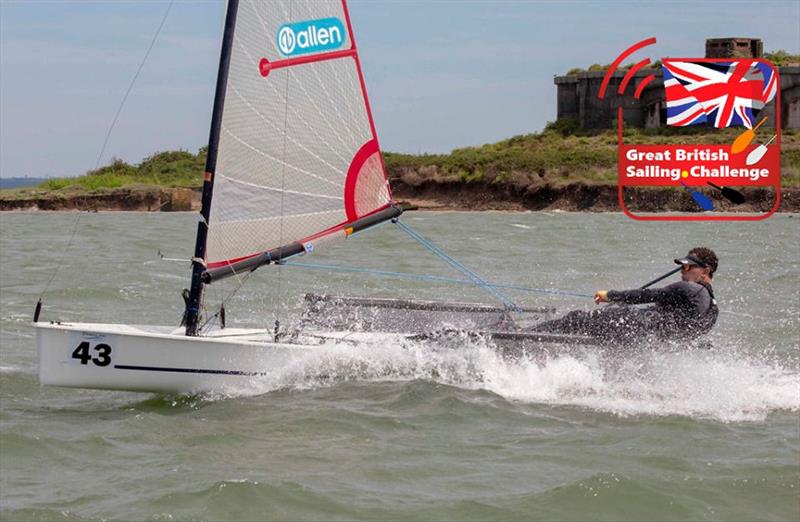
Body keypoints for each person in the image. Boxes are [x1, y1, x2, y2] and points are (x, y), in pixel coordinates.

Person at [534, 247, 719, 344]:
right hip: (645, 338)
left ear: (706, 270)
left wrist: (610, 295)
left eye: (688, 267)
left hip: (632, 326)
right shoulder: (712, 307)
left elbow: (646, 295)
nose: (682, 271)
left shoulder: (689, 289)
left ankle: (525, 335)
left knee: (576, 319)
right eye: (682, 266)